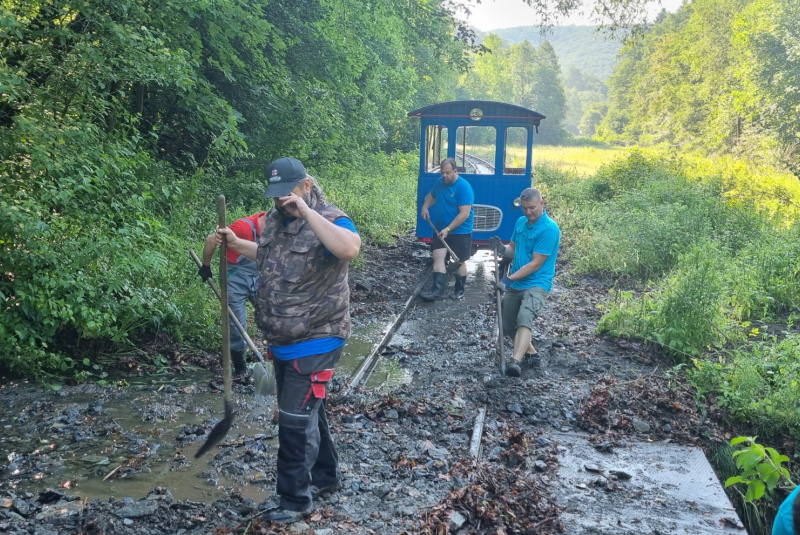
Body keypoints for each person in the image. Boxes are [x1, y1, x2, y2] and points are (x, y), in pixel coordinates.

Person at [216, 156, 361, 524]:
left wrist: (308, 213)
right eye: (276, 195)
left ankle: (295, 500)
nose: (282, 201)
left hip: (318, 338)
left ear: (306, 185)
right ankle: (326, 477)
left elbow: (349, 250)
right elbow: (267, 258)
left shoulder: (331, 218)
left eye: (289, 193)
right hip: (282, 340)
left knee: (294, 420)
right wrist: (236, 243)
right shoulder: (275, 222)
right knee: (309, 411)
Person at [490, 187, 560, 378]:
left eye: (532, 208)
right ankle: (532, 355)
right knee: (506, 323)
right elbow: (513, 249)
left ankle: (515, 361)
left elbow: (535, 264)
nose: (528, 212)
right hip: (518, 283)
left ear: (542, 203)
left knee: (525, 316)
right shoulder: (521, 222)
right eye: (524, 208)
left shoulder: (549, 230)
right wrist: (502, 249)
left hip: (537, 282)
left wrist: (508, 279)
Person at [198, 212, 266, 378]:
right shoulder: (242, 227)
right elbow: (210, 240)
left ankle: (275, 363)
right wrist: (206, 266)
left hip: (259, 275)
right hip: (234, 276)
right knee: (237, 325)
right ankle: (241, 371)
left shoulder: (280, 230)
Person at [419, 157, 474, 301]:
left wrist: (448, 229)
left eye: (448, 173)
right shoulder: (440, 183)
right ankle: (436, 291)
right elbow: (431, 196)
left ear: (455, 171)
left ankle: (459, 290)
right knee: (438, 256)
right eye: (442, 173)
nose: (444, 176)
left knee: (459, 262)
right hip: (440, 228)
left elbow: (464, 214)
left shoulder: (463, 187)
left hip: (460, 231)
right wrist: (425, 207)